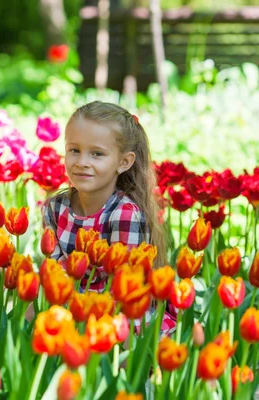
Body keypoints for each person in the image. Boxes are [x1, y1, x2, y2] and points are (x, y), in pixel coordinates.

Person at [40, 100, 176, 333]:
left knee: (117, 339)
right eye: (74, 150)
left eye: (97, 154)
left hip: (119, 309)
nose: (82, 163)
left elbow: (124, 286)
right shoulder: (55, 207)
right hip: (72, 304)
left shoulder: (123, 214)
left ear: (124, 162)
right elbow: (54, 271)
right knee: (32, 312)